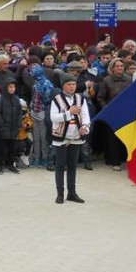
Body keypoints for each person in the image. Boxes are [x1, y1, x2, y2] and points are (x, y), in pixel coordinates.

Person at [50, 73, 90, 204]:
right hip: (61, 136)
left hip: (76, 136)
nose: (72, 87)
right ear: (63, 86)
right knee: (60, 165)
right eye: (69, 84)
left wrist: (85, 127)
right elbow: (53, 117)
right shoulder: (57, 99)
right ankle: (59, 193)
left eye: (73, 84)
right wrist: (69, 113)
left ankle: (72, 193)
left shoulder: (81, 99)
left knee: (73, 165)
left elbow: (85, 116)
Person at [0, 80, 22, 174]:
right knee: (0, 149)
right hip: (2, 129)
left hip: (13, 129)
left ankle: (11, 164)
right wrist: (1, 124)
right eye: (10, 87)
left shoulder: (16, 99)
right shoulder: (0, 99)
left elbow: (19, 113)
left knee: (12, 149)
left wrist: (18, 125)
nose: (12, 89)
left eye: (13, 87)